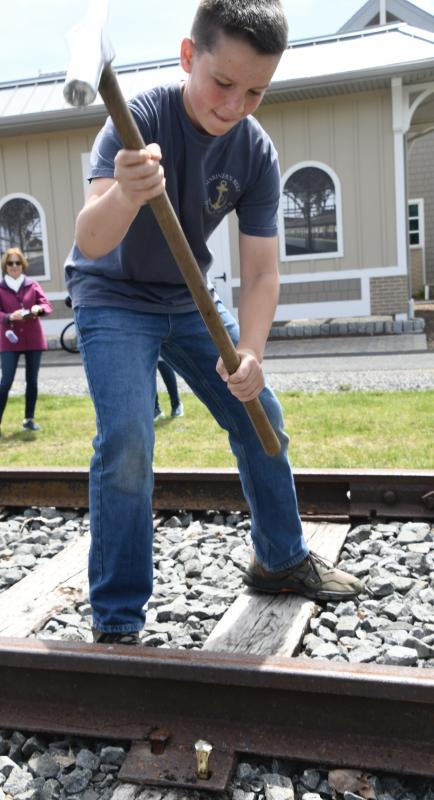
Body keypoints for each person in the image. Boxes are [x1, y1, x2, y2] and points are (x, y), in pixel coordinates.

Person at [65, 0, 362, 645]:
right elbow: (90, 238)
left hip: (188, 294)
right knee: (127, 440)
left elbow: (260, 272)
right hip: (112, 296)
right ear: (187, 56)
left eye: (255, 91)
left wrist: (250, 352)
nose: (235, 105)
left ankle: (280, 559)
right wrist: (128, 192)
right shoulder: (139, 119)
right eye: (223, 82)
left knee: (259, 414)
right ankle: (117, 619)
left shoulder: (254, 151)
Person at [0, 247, 52, 436]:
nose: (14, 266)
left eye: (18, 262)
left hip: (33, 339)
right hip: (9, 340)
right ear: (5, 266)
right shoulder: (0, 287)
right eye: (10, 263)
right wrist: (8, 317)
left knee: (32, 380)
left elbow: (46, 305)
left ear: (23, 264)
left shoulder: (32, 284)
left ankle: (29, 420)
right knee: (5, 381)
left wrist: (39, 309)